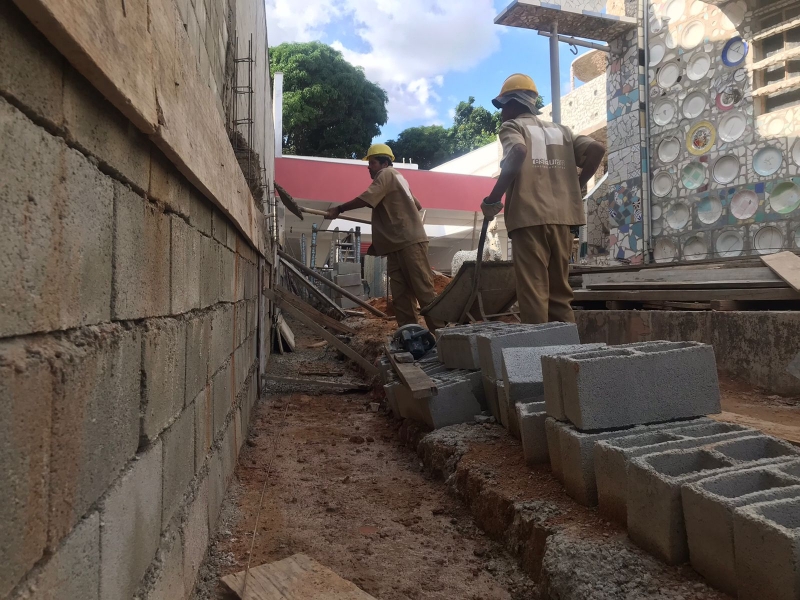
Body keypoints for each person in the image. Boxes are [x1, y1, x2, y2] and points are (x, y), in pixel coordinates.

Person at [482, 74, 605, 324]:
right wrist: (576, 187)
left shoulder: (512, 127)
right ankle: (568, 356)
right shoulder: (561, 131)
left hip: (529, 218)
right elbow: (597, 150)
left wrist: (493, 199)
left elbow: (517, 151)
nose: (502, 113)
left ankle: (538, 358)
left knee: (534, 294)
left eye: (503, 106)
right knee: (560, 293)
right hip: (562, 219)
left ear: (514, 104)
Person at [325, 144, 444, 332]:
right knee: (401, 296)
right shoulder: (400, 179)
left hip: (408, 241)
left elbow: (367, 198)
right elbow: (417, 205)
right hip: (397, 244)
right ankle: (411, 336)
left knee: (424, 290)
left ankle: (443, 335)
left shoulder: (386, 174)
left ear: (385, 162)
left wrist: (339, 209)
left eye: (372, 163)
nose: (369, 167)